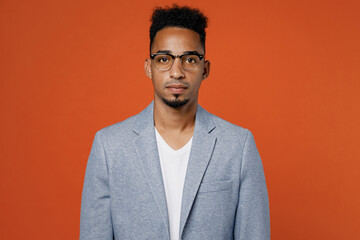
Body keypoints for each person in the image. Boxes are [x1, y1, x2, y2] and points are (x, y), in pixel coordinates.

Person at [80, 4, 270, 240]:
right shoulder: (109, 147)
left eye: (189, 59)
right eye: (164, 59)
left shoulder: (238, 146)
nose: (176, 71)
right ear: (149, 67)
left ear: (205, 69)